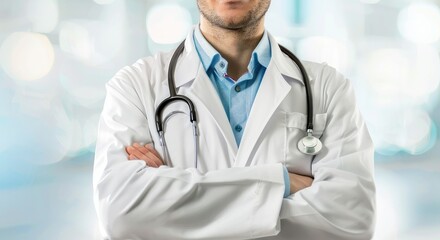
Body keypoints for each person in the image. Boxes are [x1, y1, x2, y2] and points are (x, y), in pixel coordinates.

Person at [93, 0, 376, 239]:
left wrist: (176, 204)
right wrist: (283, 182)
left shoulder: (327, 88)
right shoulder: (135, 86)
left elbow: (351, 217)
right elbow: (122, 213)